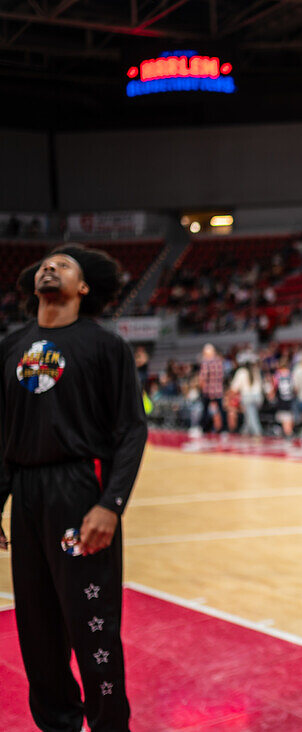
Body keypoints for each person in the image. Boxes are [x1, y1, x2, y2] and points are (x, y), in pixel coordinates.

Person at [0, 245, 147, 730]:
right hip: (27, 497)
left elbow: (131, 430)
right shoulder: (11, 347)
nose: (50, 266)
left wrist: (111, 505)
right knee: (37, 634)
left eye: (64, 265)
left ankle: (109, 725)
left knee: (92, 627)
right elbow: (3, 436)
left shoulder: (105, 347)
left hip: (80, 493)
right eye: (46, 263)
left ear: (83, 288)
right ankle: (58, 723)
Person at [229, 353, 264, 438]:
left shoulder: (241, 372)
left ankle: (258, 434)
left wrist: (230, 397)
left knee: (252, 418)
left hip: (248, 397)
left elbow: (234, 388)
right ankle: (244, 434)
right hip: (258, 397)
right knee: (249, 417)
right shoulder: (256, 370)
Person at [199, 343, 225, 434]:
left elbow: (203, 378)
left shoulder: (206, 362)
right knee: (221, 411)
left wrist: (201, 388)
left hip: (208, 391)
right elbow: (222, 376)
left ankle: (205, 429)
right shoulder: (219, 361)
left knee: (205, 410)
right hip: (218, 390)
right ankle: (223, 429)